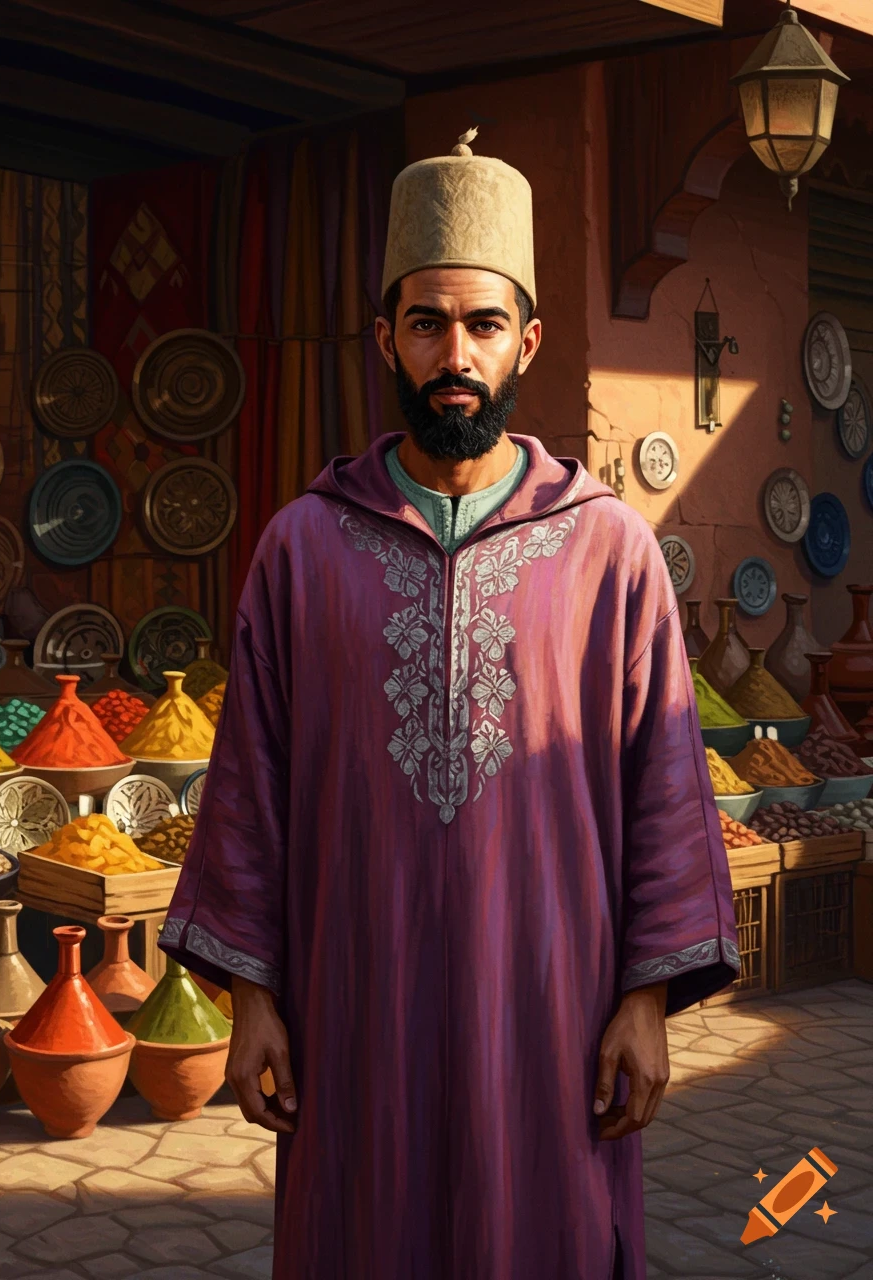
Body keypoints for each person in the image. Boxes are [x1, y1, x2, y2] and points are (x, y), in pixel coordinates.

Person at [160, 128, 739, 1280]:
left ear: (524, 339)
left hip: (550, 1014)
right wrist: (253, 998)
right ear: (386, 338)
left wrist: (644, 1000)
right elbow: (247, 791)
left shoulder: (607, 550)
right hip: (350, 1007)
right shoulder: (302, 547)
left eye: (481, 325)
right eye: (426, 323)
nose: (453, 353)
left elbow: (664, 784)